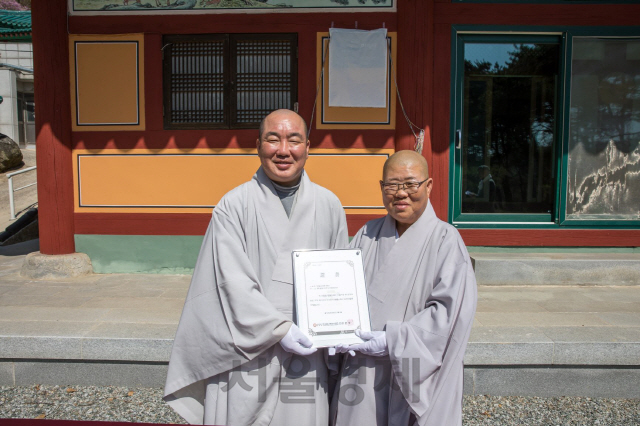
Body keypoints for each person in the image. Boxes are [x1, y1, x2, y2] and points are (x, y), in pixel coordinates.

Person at [164, 109, 349, 426]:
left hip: (307, 349)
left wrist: (338, 324)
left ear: (308, 146)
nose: (283, 150)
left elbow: (338, 276)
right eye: (272, 139)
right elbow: (230, 283)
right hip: (247, 349)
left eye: (294, 140)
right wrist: (280, 328)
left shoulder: (329, 204)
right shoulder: (233, 205)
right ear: (258, 145)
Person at [332, 150, 477, 426]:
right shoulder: (367, 234)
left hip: (412, 370)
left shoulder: (446, 240)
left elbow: (448, 315)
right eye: (392, 185)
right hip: (362, 365)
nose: (401, 193)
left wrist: (391, 340)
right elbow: (340, 290)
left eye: (411, 184)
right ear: (381, 187)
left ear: (429, 186)